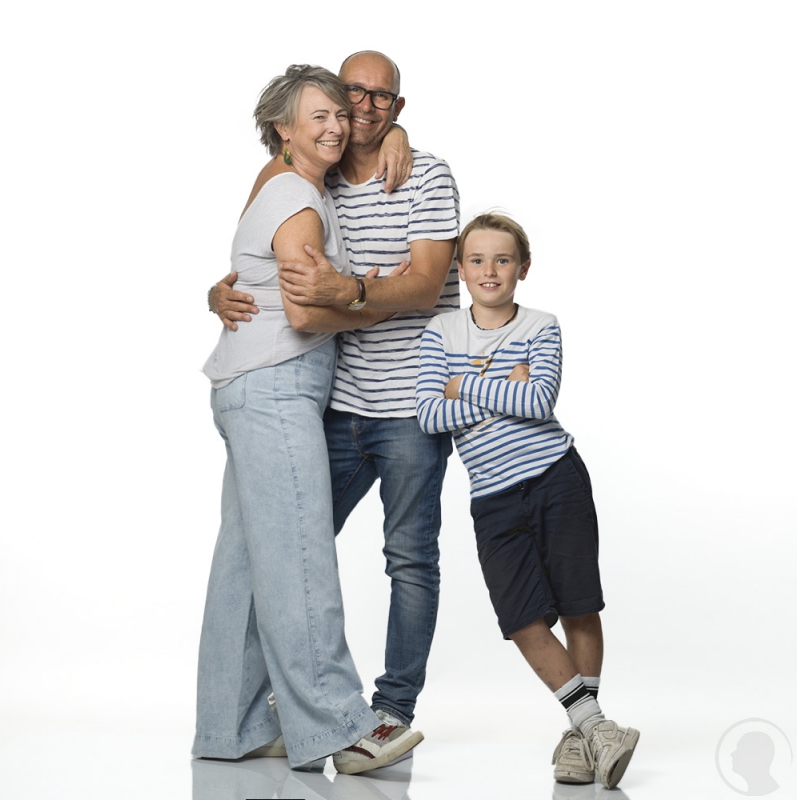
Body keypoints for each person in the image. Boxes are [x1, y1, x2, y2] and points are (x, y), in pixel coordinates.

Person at [211, 51, 459, 739]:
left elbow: (425, 282)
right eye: (353, 94)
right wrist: (215, 292)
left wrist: (349, 292)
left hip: (411, 407)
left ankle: (390, 711)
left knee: (409, 559)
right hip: (333, 403)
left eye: (384, 98)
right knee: (285, 548)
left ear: (398, 110)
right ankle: (276, 712)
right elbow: (257, 267)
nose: (366, 107)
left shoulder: (426, 173)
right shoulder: (314, 177)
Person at [415, 213, 639, 789]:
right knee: (520, 619)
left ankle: (580, 738)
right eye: (478, 260)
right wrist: (503, 389)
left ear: (523, 268)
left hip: (555, 479)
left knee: (577, 604)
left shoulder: (542, 324)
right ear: (460, 269)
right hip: (492, 497)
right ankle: (596, 726)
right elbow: (428, 415)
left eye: (503, 259)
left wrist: (464, 384)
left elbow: (539, 402)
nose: (490, 270)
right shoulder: (441, 333)